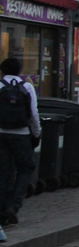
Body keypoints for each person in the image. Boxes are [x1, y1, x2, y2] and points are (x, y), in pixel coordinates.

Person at [0, 57, 41, 226]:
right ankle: (14, 205)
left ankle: (2, 210)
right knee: (25, 169)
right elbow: (33, 114)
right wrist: (37, 134)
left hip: (1, 134)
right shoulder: (27, 87)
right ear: (19, 71)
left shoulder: (0, 86)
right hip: (21, 134)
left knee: (3, 171)